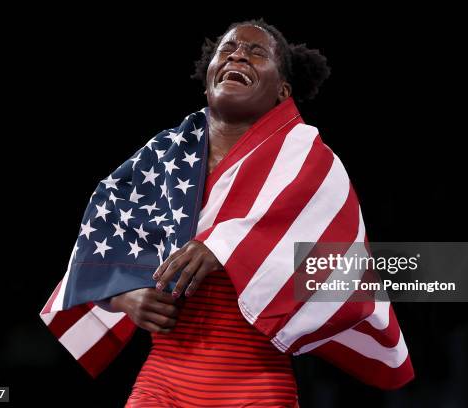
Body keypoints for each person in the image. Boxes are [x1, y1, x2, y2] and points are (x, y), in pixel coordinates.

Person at [41, 19, 413, 408]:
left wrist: (224, 245)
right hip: (162, 380)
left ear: (283, 91)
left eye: (256, 52)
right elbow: (102, 239)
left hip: (254, 387)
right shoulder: (163, 156)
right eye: (228, 49)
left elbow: (340, 269)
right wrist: (124, 297)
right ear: (208, 80)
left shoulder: (311, 161)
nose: (238, 54)